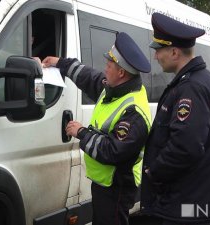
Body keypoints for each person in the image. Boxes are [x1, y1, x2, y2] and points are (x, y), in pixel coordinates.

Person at [42, 32, 152, 225]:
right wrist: (60, 62)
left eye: (109, 66)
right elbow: (87, 76)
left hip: (117, 186)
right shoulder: (114, 88)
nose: (105, 69)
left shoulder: (133, 112)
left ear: (121, 73)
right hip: (105, 183)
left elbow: (112, 151)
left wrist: (81, 132)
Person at [141, 13, 210, 225]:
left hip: (184, 202)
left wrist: (154, 172)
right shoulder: (208, 81)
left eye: (158, 50)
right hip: (198, 198)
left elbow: (185, 146)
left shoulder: (191, 88)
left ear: (174, 52)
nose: (155, 57)